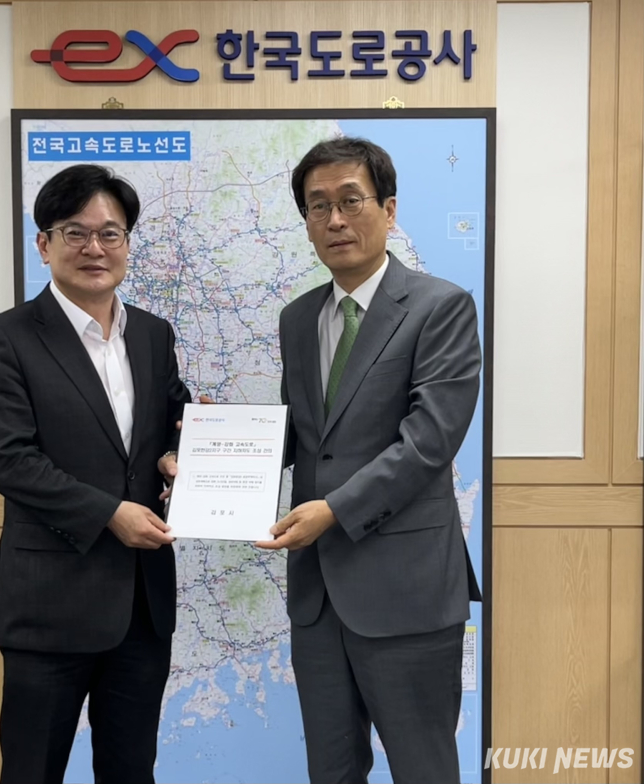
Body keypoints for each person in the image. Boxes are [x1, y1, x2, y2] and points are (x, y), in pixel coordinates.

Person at [256, 137, 482, 784]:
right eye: (317, 206)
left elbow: (428, 441)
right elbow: (306, 433)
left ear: (388, 209)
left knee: (423, 768)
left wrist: (332, 510)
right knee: (331, 770)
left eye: (350, 201)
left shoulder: (440, 307)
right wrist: (222, 446)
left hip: (407, 590)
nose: (334, 220)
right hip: (318, 598)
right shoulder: (298, 318)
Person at [0, 164, 191, 784]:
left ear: (127, 244)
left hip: (142, 606)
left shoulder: (152, 334)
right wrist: (109, 514)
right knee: (32, 772)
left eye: (110, 233)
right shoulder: (3, 339)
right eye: (76, 232)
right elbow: (8, 459)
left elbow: (173, 417)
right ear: (45, 244)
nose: (96, 247)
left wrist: (181, 454)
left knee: (131, 771)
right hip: (49, 606)